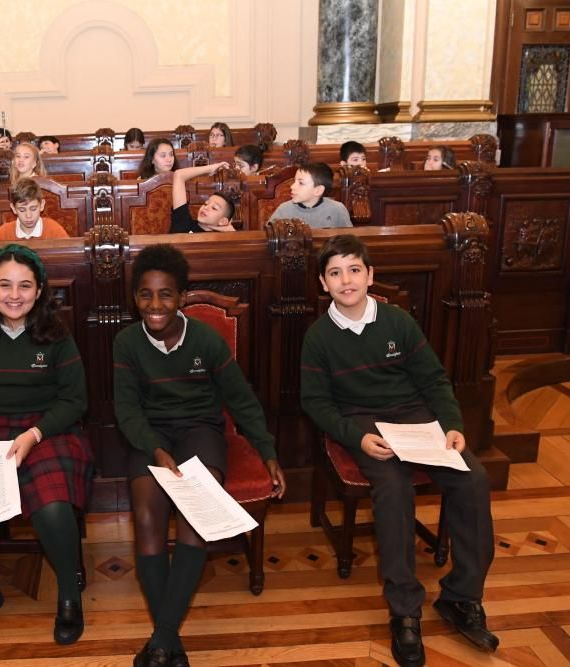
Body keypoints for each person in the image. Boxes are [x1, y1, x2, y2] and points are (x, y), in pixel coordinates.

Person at [300, 235, 497, 667]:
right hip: (363, 423)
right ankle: (405, 610)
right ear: (323, 282)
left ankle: (463, 597)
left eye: (354, 270)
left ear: (370, 276)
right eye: (335, 272)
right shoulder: (317, 337)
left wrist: (453, 426)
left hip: (414, 416)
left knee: (473, 478)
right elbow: (315, 402)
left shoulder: (398, 321)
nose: (346, 280)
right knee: (392, 487)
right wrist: (356, 437)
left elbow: (434, 380)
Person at [114, 244, 286, 667]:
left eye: (166, 294)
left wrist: (268, 452)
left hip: (200, 430)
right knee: (148, 519)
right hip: (149, 435)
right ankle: (170, 639)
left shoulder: (205, 340)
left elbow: (242, 401)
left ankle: (161, 642)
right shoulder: (126, 342)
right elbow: (126, 410)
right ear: (135, 298)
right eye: (145, 295)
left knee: (195, 519)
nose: (155, 305)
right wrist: (155, 449)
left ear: (181, 297)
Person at [0, 244, 92, 646]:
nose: (14, 294)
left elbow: (75, 400)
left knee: (53, 508)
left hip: (46, 431)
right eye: (5, 284)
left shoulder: (57, 336)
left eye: (25, 285)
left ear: (39, 290)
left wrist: (34, 434)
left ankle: (69, 594)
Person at [267, 162, 352, 228]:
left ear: (318, 190)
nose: (292, 186)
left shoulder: (337, 210)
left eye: (301, 183)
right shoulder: (284, 210)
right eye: (294, 181)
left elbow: (349, 241)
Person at [0, 178, 70, 241]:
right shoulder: (4, 233)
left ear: (42, 205)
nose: (28, 216)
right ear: (13, 208)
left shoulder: (54, 230)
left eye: (33, 209)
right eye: (22, 210)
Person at [169, 162, 235, 233]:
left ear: (222, 221)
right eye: (206, 204)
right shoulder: (183, 222)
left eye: (214, 208)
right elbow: (179, 175)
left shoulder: (222, 239)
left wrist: (233, 234)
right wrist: (210, 168)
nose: (205, 208)